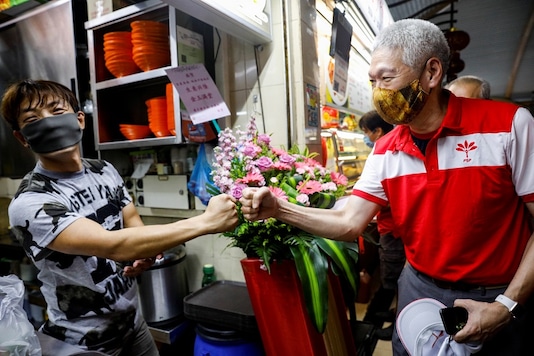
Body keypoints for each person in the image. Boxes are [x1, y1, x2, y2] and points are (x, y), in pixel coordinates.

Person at [240, 19, 534, 356]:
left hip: (496, 293)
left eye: (387, 78)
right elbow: (349, 221)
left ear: (431, 73)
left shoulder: (509, 125)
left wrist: (505, 305)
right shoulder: (386, 148)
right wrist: (279, 209)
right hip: (419, 290)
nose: (378, 92)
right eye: (372, 81)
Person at [0, 79, 238, 355]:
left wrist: (143, 255)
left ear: (79, 120)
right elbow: (112, 244)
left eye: (56, 111)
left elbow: (131, 223)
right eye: (33, 119)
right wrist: (206, 222)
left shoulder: (104, 170)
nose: (48, 122)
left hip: (135, 325)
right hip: (82, 343)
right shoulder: (30, 201)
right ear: (22, 138)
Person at [358, 110, 404, 341]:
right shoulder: (391, 148)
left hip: (394, 229)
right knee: (393, 279)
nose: (366, 137)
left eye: (366, 132)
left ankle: (396, 324)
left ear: (377, 131)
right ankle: (392, 316)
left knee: (395, 280)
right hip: (392, 227)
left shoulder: (387, 152)